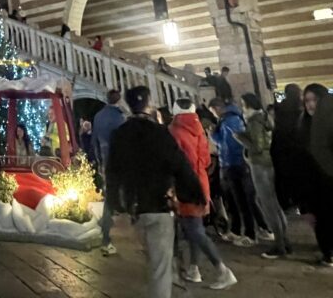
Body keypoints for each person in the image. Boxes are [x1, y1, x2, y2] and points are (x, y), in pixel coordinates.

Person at [105, 85, 204, 298]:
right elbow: (180, 164)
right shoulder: (159, 133)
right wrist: (195, 193)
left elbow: (112, 171)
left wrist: (114, 203)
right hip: (159, 203)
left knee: (154, 260)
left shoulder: (120, 135)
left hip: (134, 206)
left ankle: (173, 287)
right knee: (160, 267)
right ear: (148, 104)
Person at [169, 98, 237, 288]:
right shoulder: (199, 128)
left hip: (185, 183)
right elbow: (206, 160)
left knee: (194, 229)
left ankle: (222, 270)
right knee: (194, 225)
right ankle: (194, 268)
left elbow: (175, 161)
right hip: (201, 180)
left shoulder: (174, 130)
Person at [235, 93, 290, 258]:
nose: (242, 107)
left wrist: (240, 138)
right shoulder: (264, 117)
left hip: (260, 164)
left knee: (267, 205)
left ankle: (279, 245)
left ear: (249, 105)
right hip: (269, 162)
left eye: (243, 104)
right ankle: (284, 241)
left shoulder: (254, 121)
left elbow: (257, 146)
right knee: (274, 205)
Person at [210, 98, 268, 246]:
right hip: (231, 164)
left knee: (243, 202)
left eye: (213, 111)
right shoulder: (227, 120)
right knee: (237, 201)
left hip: (236, 164)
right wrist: (214, 134)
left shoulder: (231, 120)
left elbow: (232, 143)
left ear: (218, 107)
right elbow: (223, 141)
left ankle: (251, 233)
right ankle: (239, 231)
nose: (214, 114)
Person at [298, 83, 333, 267]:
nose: (311, 105)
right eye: (307, 101)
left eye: (314, 100)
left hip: (329, 180)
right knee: (320, 221)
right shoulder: (303, 125)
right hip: (313, 184)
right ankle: (327, 253)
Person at [92, 89, 125, 255]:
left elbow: (94, 142)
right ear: (119, 101)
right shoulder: (119, 117)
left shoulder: (98, 116)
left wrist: (99, 162)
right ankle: (106, 235)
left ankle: (106, 234)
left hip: (105, 161)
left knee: (109, 198)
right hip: (118, 162)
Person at [271, 83, 302, 210]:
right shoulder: (299, 108)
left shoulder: (279, 108)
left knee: (282, 177)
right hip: (296, 147)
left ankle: (285, 202)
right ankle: (299, 200)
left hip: (279, 146)